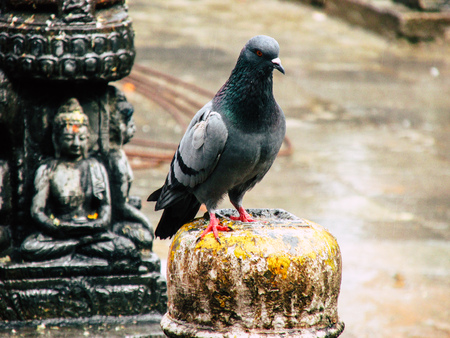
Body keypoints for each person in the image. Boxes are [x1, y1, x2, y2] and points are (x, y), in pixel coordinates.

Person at [21, 98, 139, 265]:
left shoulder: (94, 167)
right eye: (69, 138)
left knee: (126, 248)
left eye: (81, 138)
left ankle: (74, 247)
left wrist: (91, 226)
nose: (76, 143)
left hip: (91, 233)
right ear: (57, 138)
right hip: (57, 234)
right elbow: (37, 212)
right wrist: (59, 227)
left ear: (87, 138)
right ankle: (77, 246)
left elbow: (105, 212)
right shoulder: (48, 169)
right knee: (29, 248)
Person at [108, 90, 154, 250]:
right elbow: (119, 206)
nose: (133, 127)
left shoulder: (119, 155)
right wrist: (144, 220)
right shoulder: (116, 160)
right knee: (142, 238)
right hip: (109, 221)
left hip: (117, 215)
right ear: (117, 126)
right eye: (130, 123)